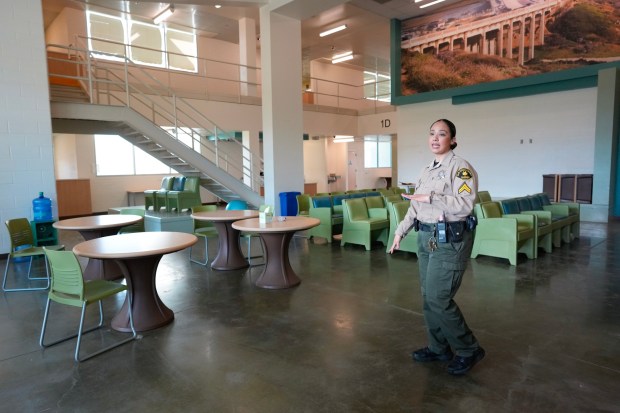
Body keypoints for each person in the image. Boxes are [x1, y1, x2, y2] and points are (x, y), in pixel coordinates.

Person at [389, 118, 484, 376]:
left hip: (450, 239)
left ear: (452, 140)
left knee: (439, 297)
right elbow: (415, 206)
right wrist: (400, 232)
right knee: (427, 297)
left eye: (441, 134)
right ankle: (439, 347)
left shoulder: (461, 168)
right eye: (432, 133)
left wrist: (432, 196)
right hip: (426, 237)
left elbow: (465, 206)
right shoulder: (426, 170)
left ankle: (468, 348)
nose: (435, 138)